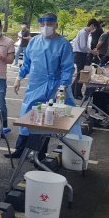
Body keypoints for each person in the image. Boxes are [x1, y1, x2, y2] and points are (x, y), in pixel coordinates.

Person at [9, 13, 77, 160]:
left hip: (54, 87)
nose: (46, 27)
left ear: (56, 25)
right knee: (26, 116)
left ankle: (40, 154)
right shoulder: (34, 42)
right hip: (35, 85)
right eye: (43, 24)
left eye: (50, 24)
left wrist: (63, 86)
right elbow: (26, 62)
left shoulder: (63, 44)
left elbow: (67, 68)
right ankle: (19, 150)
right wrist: (19, 77)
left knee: (46, 121)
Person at [71, 19, 99, 100]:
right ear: (92, 25)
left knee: (80, 74)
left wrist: (90, 51)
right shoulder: (83, 33)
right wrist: (92, 52)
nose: (94, 30)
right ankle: (77, 94)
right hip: (80, 54)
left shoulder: (86, 32)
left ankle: (73, 91)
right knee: (81, 74)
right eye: (95, 28)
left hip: (80, 54)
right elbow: (83, 46)